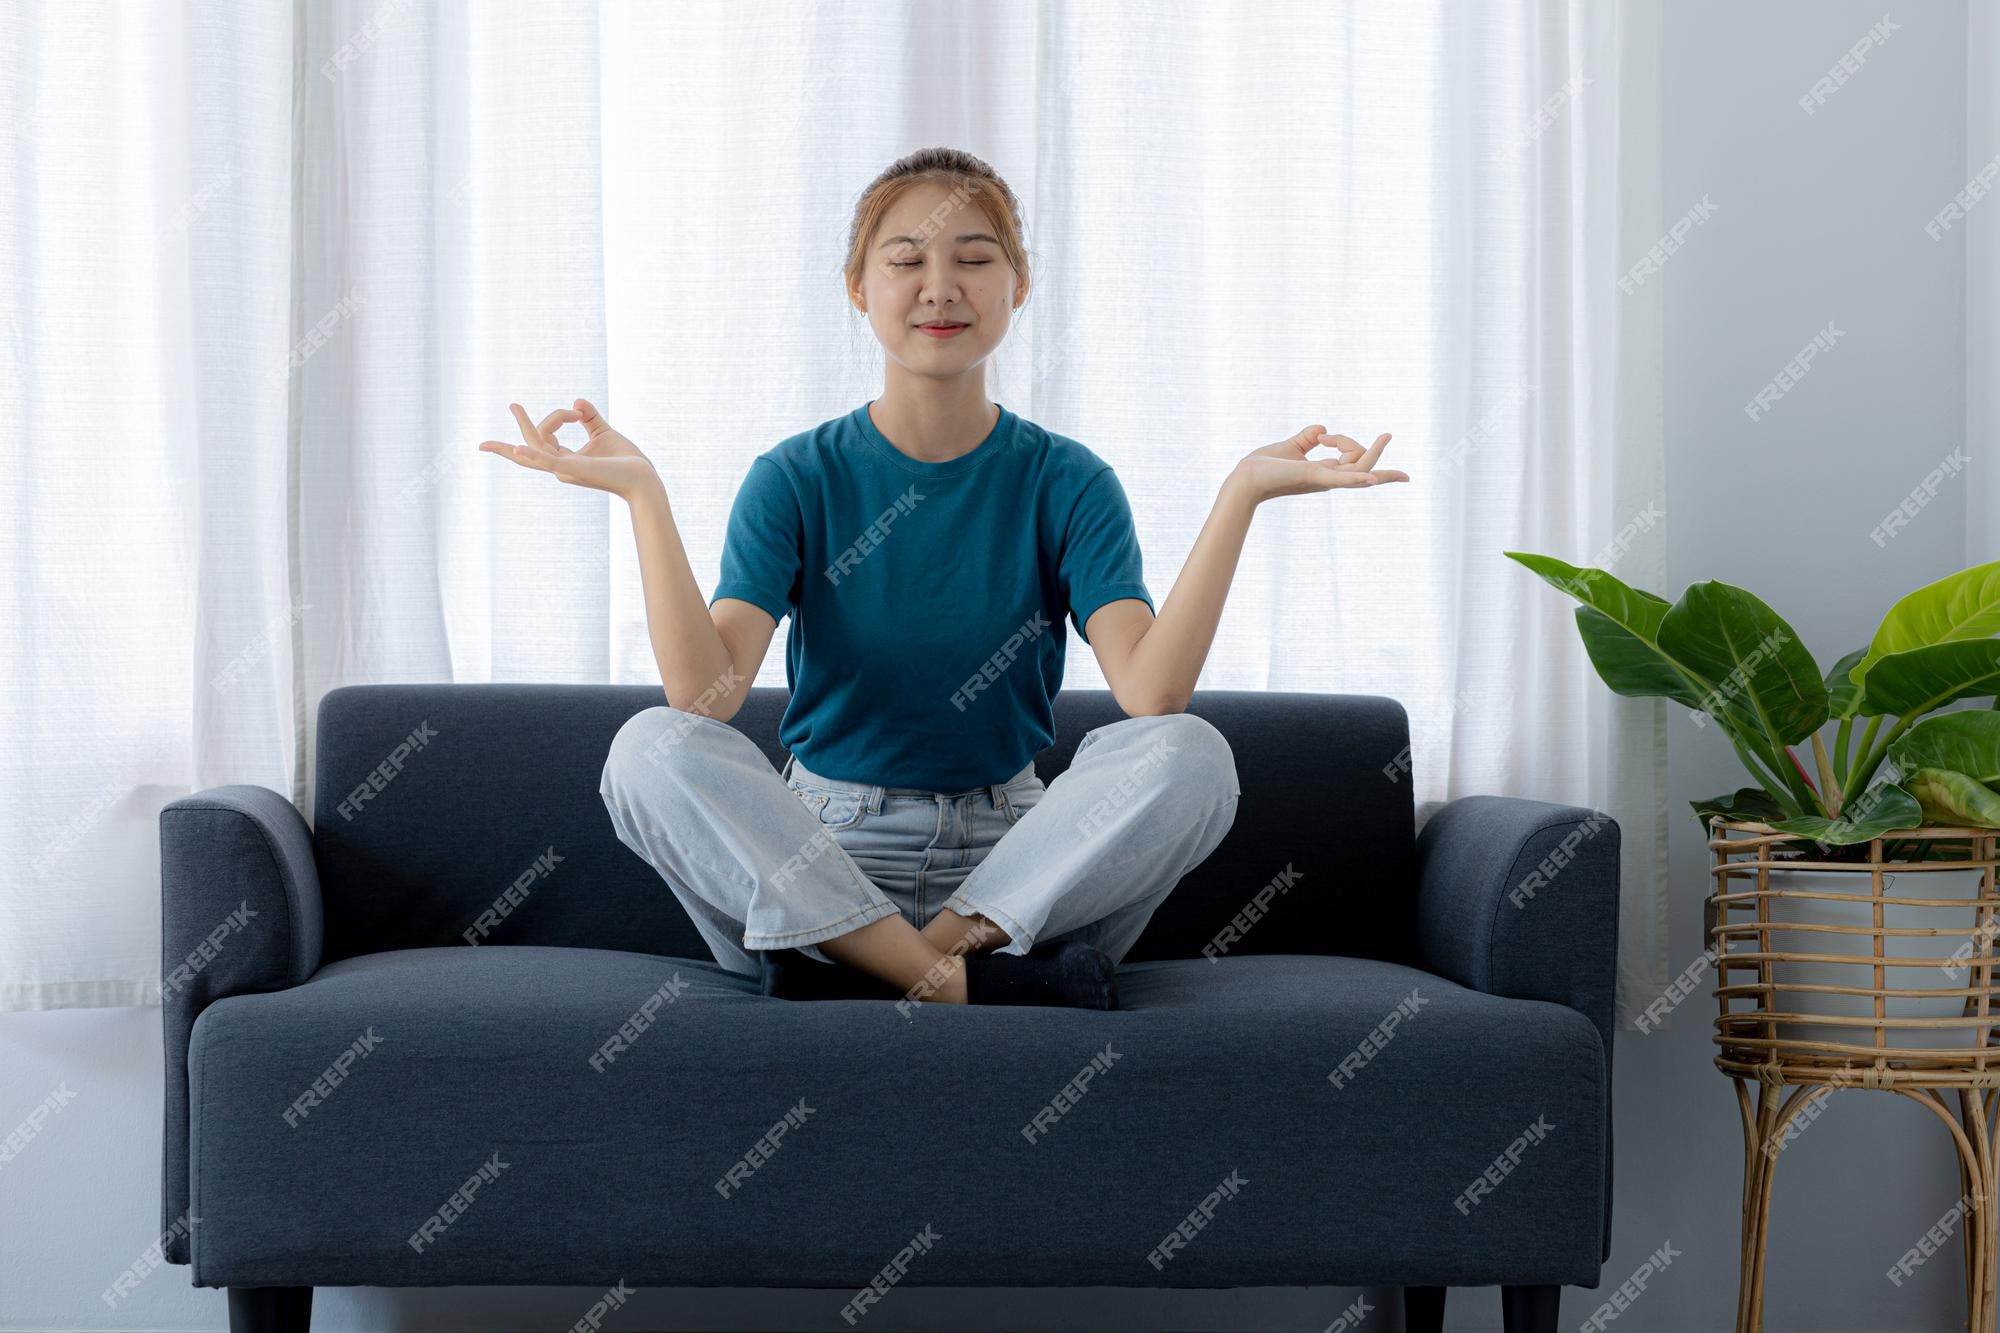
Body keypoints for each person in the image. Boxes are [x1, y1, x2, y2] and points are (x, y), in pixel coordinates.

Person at [480, 146, 1407, 1010]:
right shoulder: (796, 477)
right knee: (649, 745)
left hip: (1017, 871)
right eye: (905, 259)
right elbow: (705, 695)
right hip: (821, 852)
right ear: (857, 286)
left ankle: (883, 967)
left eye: (973, 258)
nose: (940, 287)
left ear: (1018, 285)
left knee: (1191, 752)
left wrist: (1242, 492)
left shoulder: (1068, 480)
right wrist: (642, 495)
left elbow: (1151, 690)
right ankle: (960, 982)